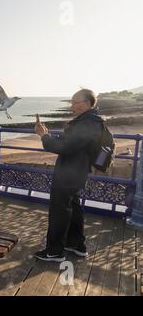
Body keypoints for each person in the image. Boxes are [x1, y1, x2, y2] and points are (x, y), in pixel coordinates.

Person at [34, 89, 103, 262]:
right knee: (74, 208)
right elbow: (69, 142)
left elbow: (64, 148)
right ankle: (76, 245)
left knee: (59, 211)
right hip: (78, 171)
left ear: (86, 104)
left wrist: (44, 136)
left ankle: (55, 251)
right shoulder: (90, 121)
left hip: (69, 173)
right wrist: (50, 134)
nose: (71, 105)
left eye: (74, 102)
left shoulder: (87, 123)